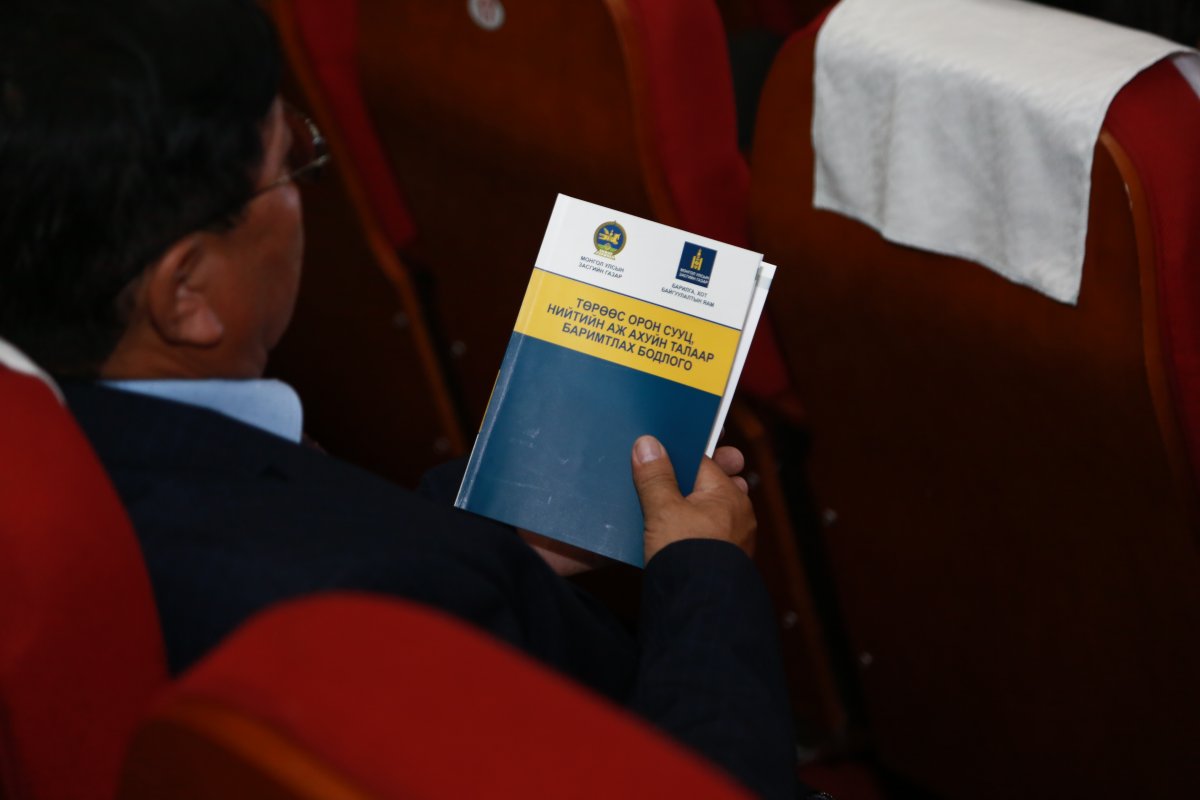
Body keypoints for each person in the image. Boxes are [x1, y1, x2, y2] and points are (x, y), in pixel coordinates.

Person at [0, 1, 816, 797]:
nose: (305, 193)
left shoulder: (57, 449)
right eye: (291, 164)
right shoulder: (366, 599)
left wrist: (509, 523)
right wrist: (702, 569)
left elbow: (328, 524)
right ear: (186, 295)